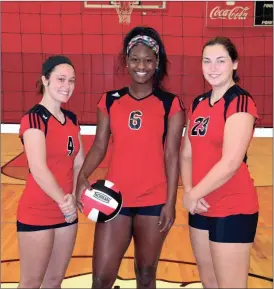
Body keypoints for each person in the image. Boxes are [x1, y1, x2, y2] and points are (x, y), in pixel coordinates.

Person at [76, 26, 185, 288]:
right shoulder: (110, 101)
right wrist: (82, 176)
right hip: (114, 200)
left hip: (154, 200)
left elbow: (172, 156)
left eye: (148, 60)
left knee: (146, 274)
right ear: (126, 61)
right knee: (101, 278)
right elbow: (99, 146)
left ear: (157, 63)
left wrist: (170, 203)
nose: (141, 66)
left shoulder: (171, 103)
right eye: (135, 59)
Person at [180, 36, 259, 288]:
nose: (212, 68)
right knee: (209, 282)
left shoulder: (241, 102)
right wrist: (191, 192)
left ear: (234, 64)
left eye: (220, 61)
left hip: (232, 205)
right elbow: (186, 154)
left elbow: (230, 163)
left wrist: (192, 196)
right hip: (201, 205)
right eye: (207, 61)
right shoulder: (198, 103)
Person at [17, 55, 85, 288]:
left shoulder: (73, 120)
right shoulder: (34, 118)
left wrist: (74, 196)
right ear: (45, 80)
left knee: (54, 281)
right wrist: (64, 202)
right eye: (61, 79)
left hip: (66, 212)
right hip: (39, 210)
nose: (67, 86)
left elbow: (78, 163)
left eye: (72, 81)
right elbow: (38, 167)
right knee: (30, 283)